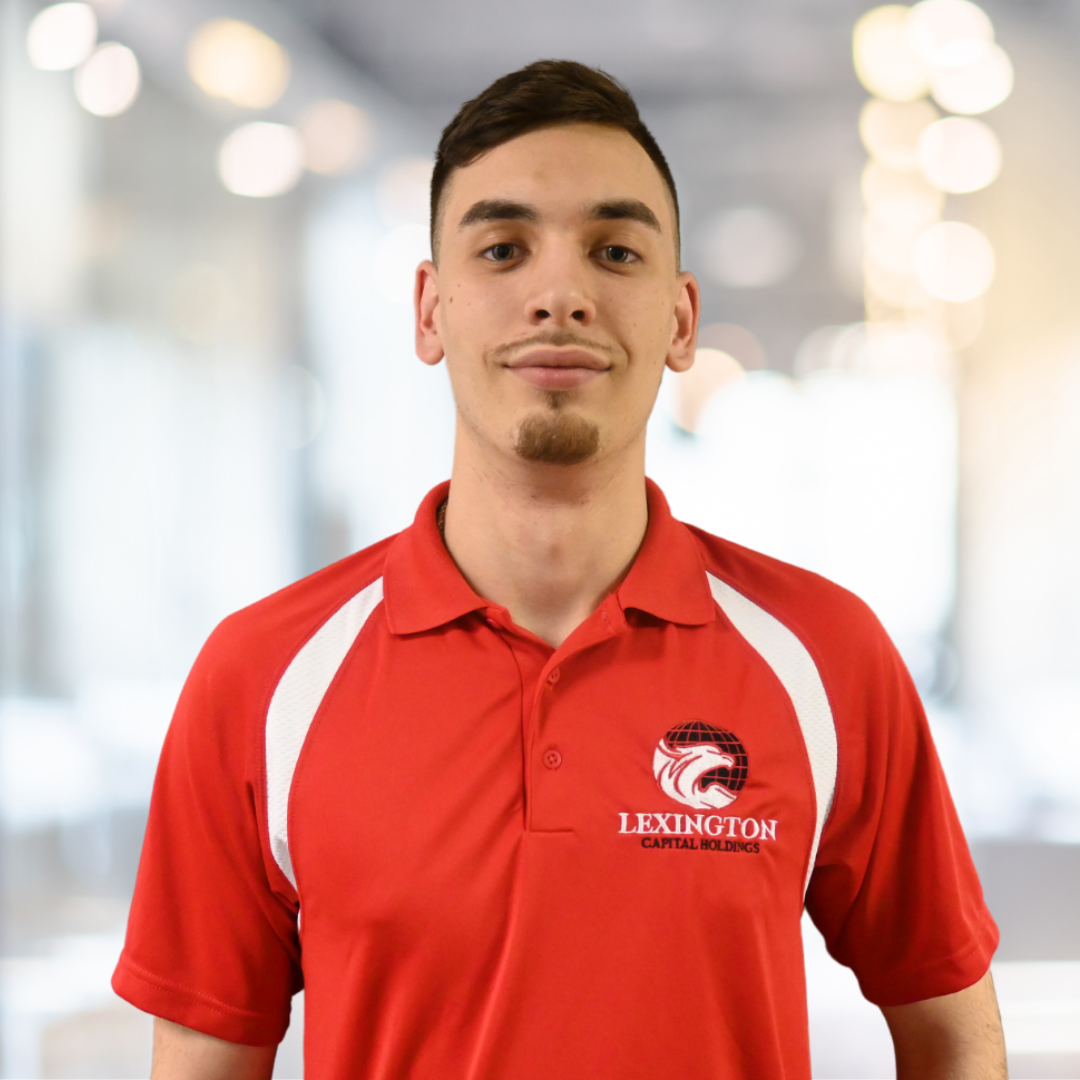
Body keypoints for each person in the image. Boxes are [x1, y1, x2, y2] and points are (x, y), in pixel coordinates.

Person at [114, 60, 1006, 1080]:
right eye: (502, 248)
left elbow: (948, 1022)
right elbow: (201, 1056)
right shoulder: (264, 677)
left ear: (679, 318)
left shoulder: (827, 658)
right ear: (429, 311)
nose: (560, 294)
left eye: (614, 251)